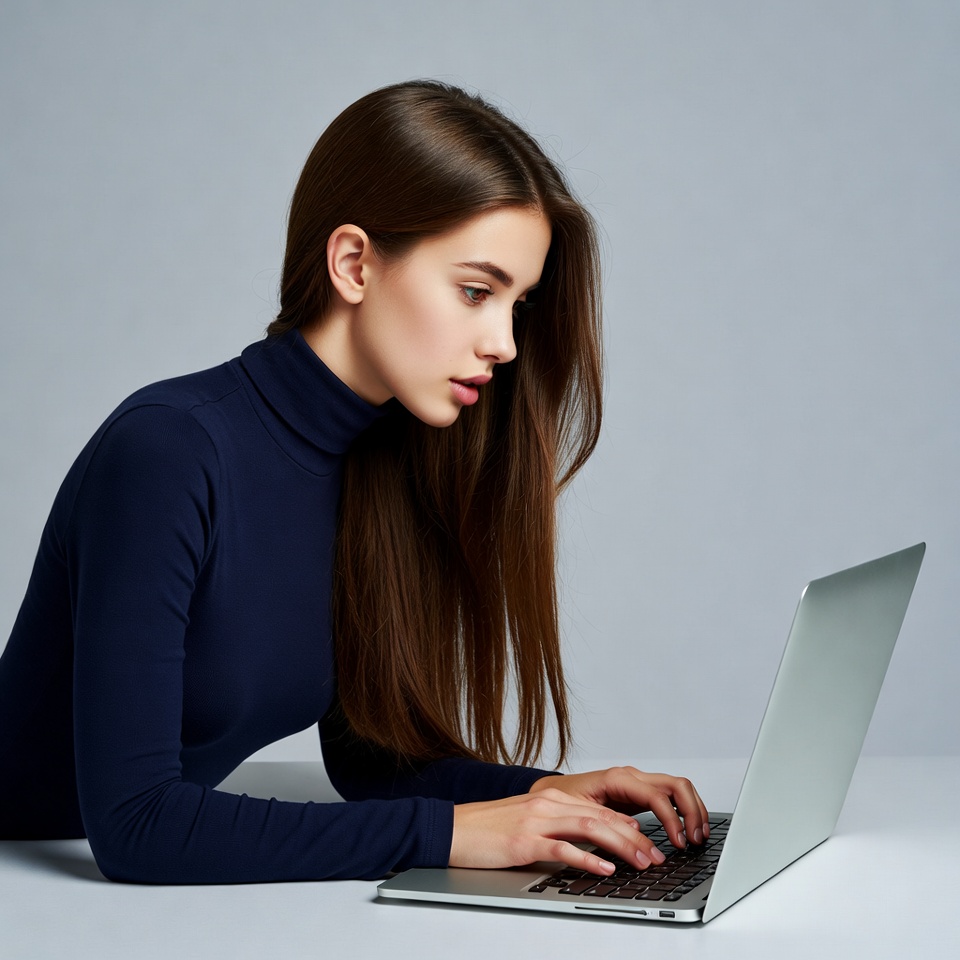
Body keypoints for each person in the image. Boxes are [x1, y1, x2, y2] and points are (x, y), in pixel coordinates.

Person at [0, 80, 708, 883]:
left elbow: (372, 766)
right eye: (476, 291)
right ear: (353, 264)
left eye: (518, 303)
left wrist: (546, 798)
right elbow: (136, 825)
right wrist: (449, 837)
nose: (504, 343)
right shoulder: (168, 449)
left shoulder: (378, 464)